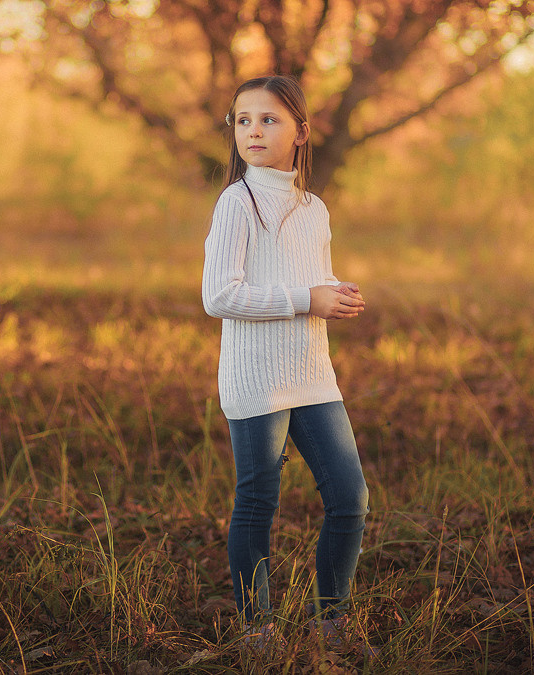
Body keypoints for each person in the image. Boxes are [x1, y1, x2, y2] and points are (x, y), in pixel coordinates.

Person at [201, 75, 371, 652]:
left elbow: (308, 280)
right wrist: (307, 298)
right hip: (256, 380)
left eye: (268, 119)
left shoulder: (313, 208)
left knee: (349, 498)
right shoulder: (236, 204)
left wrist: (333, 293)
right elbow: (219, 296)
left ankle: (333, 625)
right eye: (243, 120)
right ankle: (259, 631)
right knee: (258, 501)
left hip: (312, 373)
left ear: (301, 132)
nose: (253, 130)